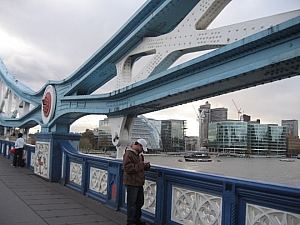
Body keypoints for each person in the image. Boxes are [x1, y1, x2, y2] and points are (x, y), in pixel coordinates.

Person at [123, 138, 150, 225]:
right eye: (142, 148)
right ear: (138, 145)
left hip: (139, 182)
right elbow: (127, 168)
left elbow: (139, 167)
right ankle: (130, 222)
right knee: (132, 204)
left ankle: (136, 219)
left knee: (139, 202)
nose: (142, 151)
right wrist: (142, 165)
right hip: (131, 182)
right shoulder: (128, 154)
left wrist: (146, 166)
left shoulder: (140, 155)